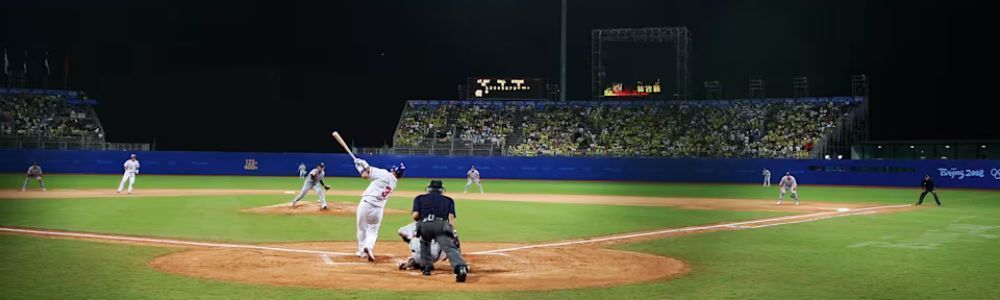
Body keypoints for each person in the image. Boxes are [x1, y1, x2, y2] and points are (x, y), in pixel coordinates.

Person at [412, 180, 469, 282]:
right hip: (441, 225)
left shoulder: (419, 198)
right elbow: (450, 219)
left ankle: (426, 267)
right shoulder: (449, 200)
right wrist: (453, 232)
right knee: (449, 247)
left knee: (424, 242)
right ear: (441, 190)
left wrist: (422, 223)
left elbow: (415, 215)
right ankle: (460, 268)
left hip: (425, 225)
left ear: (429, 189)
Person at [353, 158, 404, 262]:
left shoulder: (385, 174)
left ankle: (362, 251)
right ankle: (369, 247)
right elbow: (365, 174)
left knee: (362, 228)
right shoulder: (394, 183)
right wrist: (361, 168)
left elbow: (366, 174)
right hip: (378, 209)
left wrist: (362, 164)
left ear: (394, 170)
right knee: (373, 230)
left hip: (366, 204)